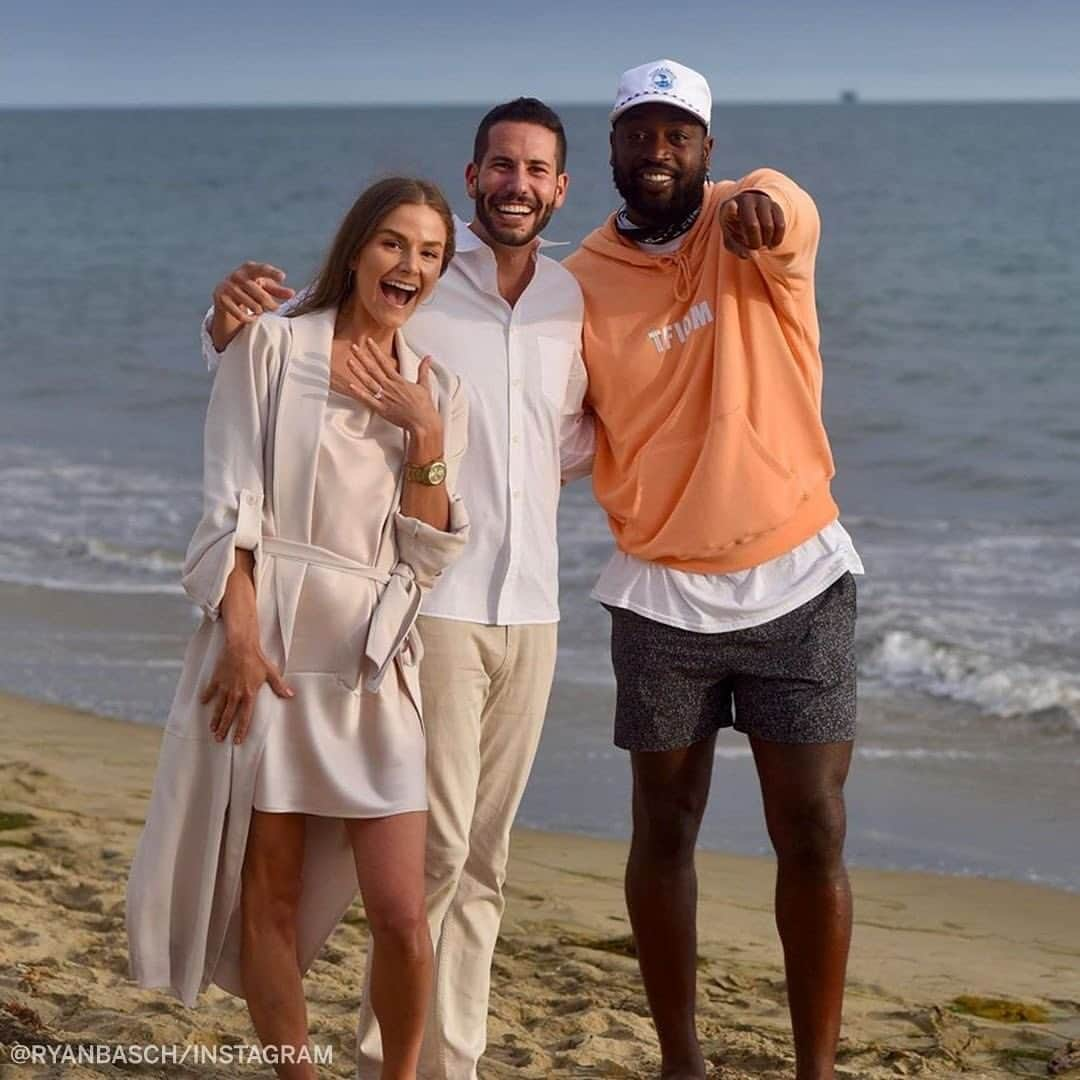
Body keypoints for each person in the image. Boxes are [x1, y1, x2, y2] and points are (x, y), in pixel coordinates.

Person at [200, 100, 592, 1080]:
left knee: (481, 862)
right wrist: (218, 323)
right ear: (472, 180)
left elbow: (582, 430)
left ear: (561, 187)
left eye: (537, 170)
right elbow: (267, 373)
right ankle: (387, 1058)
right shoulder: (419, 281)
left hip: (531, 602)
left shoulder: (568, 299)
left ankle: (442, 1062)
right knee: (427, 863)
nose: (518, 183)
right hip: (409, 620)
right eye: (501, 165)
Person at [127, 177, 471, 1080]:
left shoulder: (436, 389)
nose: (411, 266)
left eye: (431, 252)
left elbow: (425, 553)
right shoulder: (273, 347)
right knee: (266, 894)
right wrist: (241, 643)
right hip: (274, 646)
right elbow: (230, 508)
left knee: (401, 909)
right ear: (356, 249)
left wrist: (424, 430)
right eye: (394, 243)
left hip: (370, 661)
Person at [563, 60, 865, 1080]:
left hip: (799, 576)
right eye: (638, 134)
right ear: (610, 150)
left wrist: (767, 211)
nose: (657, 151)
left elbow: (793, 208)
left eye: (677, 135)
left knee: (814, 827)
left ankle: (813, 1069)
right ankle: (681, 1061)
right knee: (664, 826)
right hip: (659, 593)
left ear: (707, 150)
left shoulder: (752, 220)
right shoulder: (581, 281)